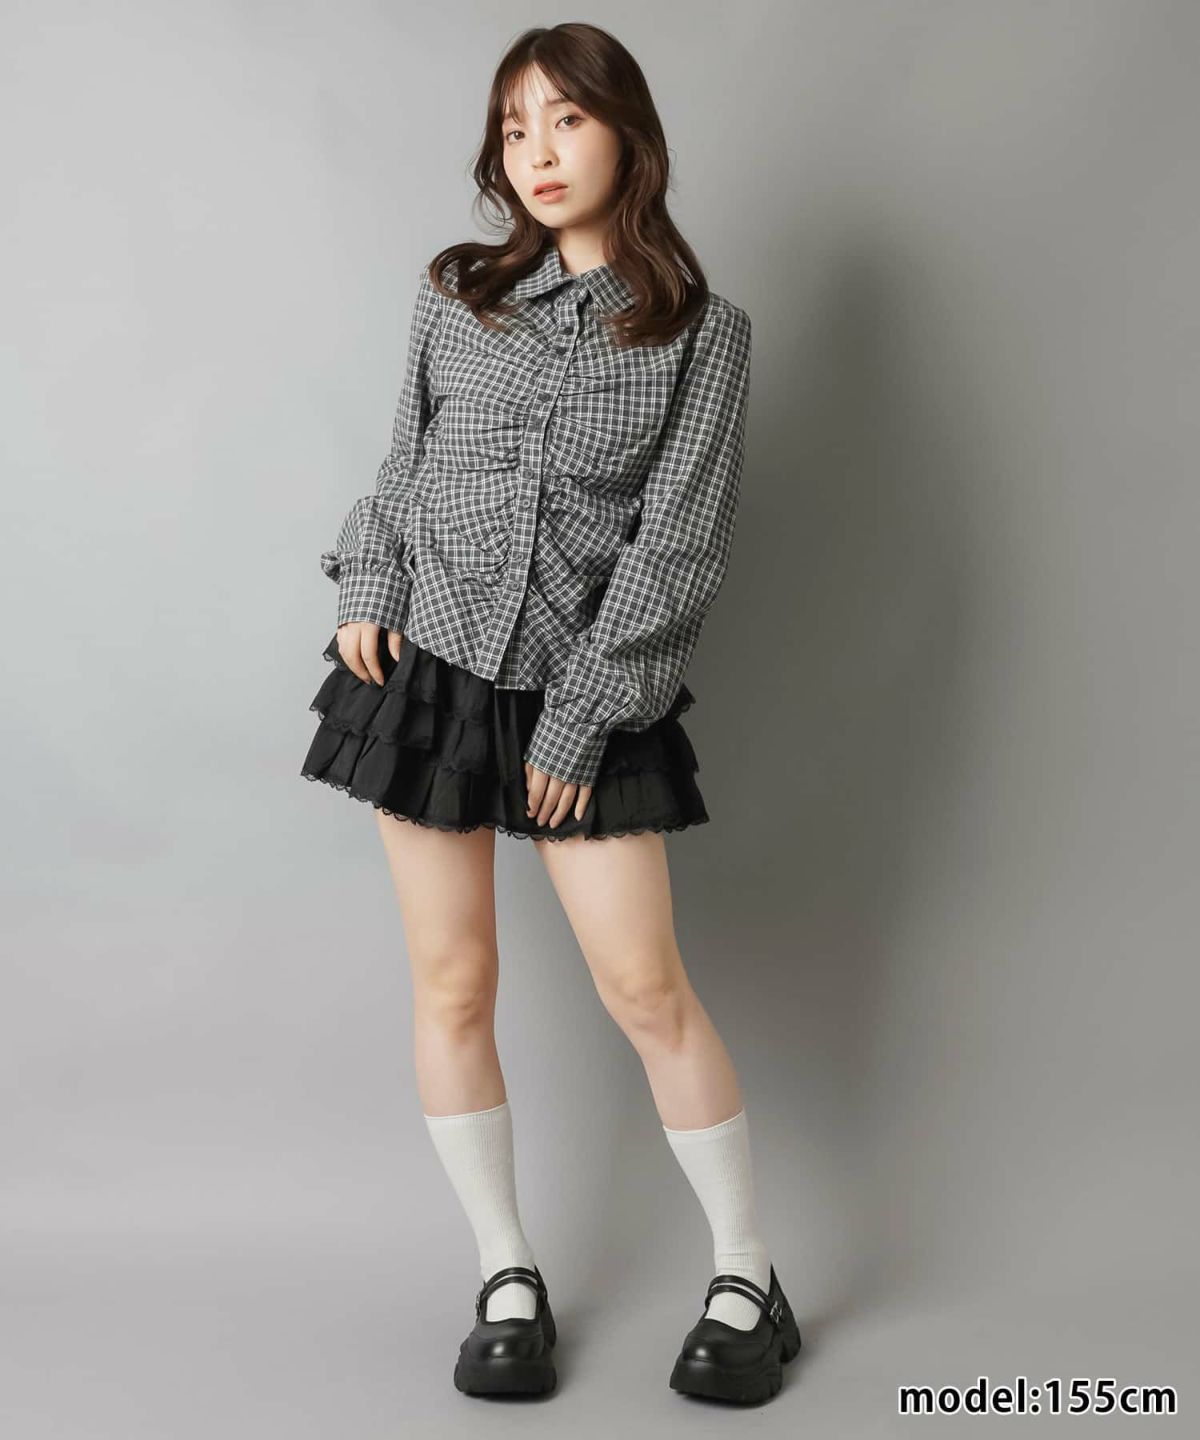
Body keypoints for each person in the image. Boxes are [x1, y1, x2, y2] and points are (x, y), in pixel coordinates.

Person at [300, 22, 800, 1406]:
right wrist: (368, 578)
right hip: (428, 677)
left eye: (566, 121)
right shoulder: (456, 295)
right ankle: (506, 1271)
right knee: (454, 983)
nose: (538, 152)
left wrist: (582, 723)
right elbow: (404, 466)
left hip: (595, 684)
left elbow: (680, 546)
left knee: (645, 988)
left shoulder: (701, 334)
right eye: (516, 128)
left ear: (629, 137)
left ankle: (748, 1274)